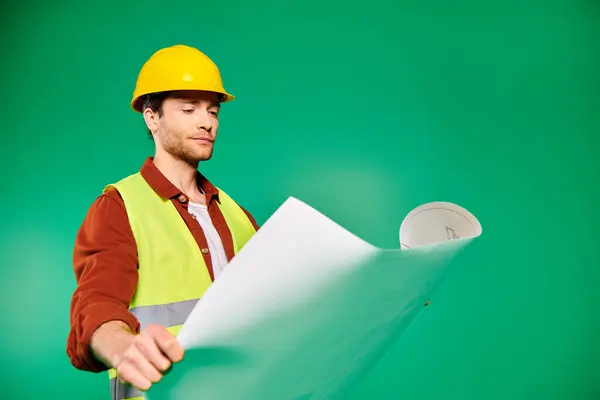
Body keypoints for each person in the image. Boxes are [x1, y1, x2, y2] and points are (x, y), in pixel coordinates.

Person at [66, 44, 260, 400]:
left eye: (213, 112)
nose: (207, 122)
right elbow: (95, 304)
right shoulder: (120, 206)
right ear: (151, 117)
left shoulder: (237, 214)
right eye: (189, 109)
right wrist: (121, 346)